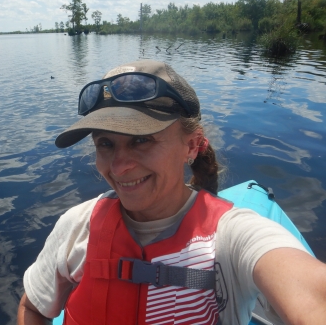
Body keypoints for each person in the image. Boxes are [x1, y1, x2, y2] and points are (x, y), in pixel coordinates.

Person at [18, 60, 326, 324]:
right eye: (105, 144)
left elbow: (313, 299)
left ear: (191, 145)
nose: (119, 166)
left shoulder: (233, 236)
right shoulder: (77, 225)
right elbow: (32, 307)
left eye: (141, 140)